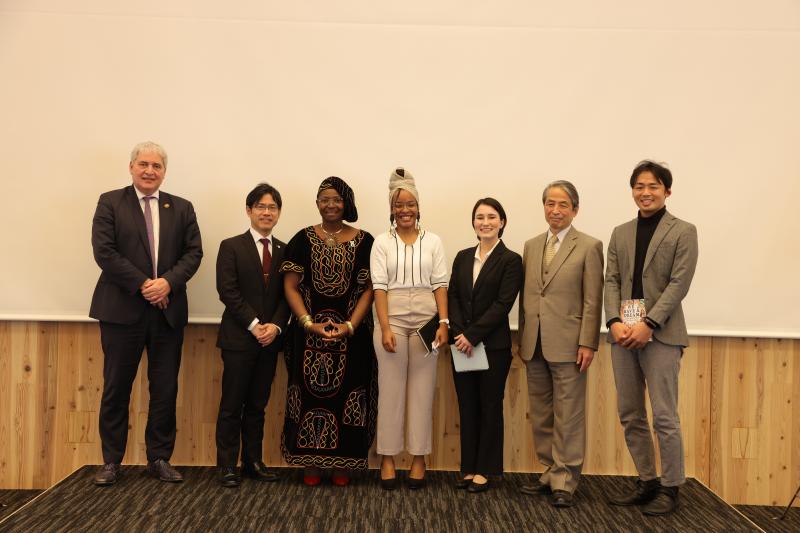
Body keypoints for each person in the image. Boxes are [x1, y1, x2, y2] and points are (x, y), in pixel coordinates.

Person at [90, 141, 203, 486]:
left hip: (167, 313)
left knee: (165, 389)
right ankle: (111, 461)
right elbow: (104, 252)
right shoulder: (110, 202)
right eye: (143, 164)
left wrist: (167, 283)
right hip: (122, 311)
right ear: (131, 167)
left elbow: (193, 253)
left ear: (164, 171)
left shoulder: (181, 208)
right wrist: (144, 285)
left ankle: (159, 457)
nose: (149, 171)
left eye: (156, 166)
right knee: (116, 388)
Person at [605, 160, 698, 516]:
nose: (646, 192)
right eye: (640, 186)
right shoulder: (620, 232)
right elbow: (611, 279)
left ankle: (671, 487)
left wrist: (650, 323)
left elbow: (679, 284)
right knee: (630, 413)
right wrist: (614, 321)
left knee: (664, 416)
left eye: (653, 186)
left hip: (662, 335)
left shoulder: (683, 230)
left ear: (667, 191)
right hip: (622, 334)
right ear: (633, 191)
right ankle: (647, 481)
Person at [279, 176, 376, 487]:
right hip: (309, 336)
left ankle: (343, 467)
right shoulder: (302, 239)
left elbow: (371, 289)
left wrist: (350, 325)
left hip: (353, 337)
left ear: (346, 203)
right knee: (305, 398)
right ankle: (310, 466)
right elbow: (290, 287)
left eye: (337, 199)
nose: (331, 204)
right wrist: (308, 323)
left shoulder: (366, 241)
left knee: (351, 398)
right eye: (324, 199)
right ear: (317, 203)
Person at [517, 180, 604, 507]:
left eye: (563, 204)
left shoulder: (589, 246)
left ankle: (566, 480)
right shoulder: (532, 245)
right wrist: (524, 336)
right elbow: (528, 296)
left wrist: (588, 343)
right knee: (541, 413)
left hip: (570, 345)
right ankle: (551, 470)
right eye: (550, 204)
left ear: (575, 209)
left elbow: (592, 301)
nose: (555, 210)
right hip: (534, 344)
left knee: (568, 413)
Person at [370, 168, 450, 490]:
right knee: (390, 391)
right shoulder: (380, 242)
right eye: (399, 205)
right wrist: (385, 327)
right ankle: (388, 458)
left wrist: (443, 323)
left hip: (426, 322)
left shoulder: (434, 241)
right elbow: (379, 288)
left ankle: (419, 458)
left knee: (422, 390)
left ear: (418, 207)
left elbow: (440, 284)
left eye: (410, 204)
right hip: (391, 318)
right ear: (391, 208)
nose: (405, 210)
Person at [214, 183, 290, 488]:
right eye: (260, 206)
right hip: (239, 339)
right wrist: (254, 324)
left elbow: (289, 295)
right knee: (232, 404)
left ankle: (253, 461)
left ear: (279, 213)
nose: (266, 212)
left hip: (270, 340)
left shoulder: (286, 251)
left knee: (258, 404)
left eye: (272, 207)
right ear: (249, 210)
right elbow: (227, 291)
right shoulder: (231, 246)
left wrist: (275, 326)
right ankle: (227, 465)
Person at [448, 198, 522, 493]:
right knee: (467, 406)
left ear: (502, 222)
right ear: (473, 223)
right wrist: (459, 333)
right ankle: (468, 468)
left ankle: (486, 470)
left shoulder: (511, 260)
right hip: (461, 344)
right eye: (480, 217)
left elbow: (503, 304)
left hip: (492, 346)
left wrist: (472, 335)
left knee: (489, 406)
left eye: (492, 217)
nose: (485, 222)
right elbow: (453, 295)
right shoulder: (462, 257)